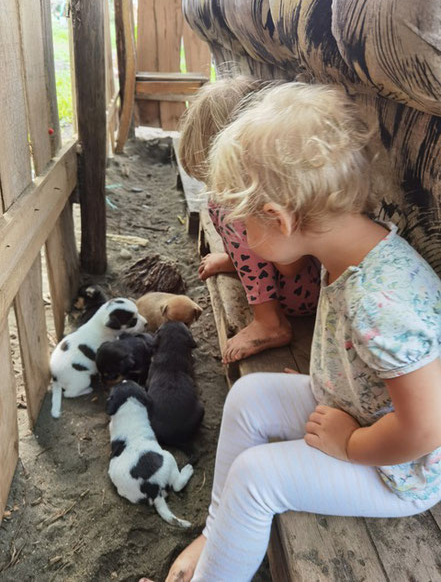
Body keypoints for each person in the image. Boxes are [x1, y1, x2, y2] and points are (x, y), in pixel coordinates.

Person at [149, 82, 441, 582]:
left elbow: (425, 429)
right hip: (358, 411)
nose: (235, 235)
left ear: (278, 220)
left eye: (239, 224)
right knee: (250, 395)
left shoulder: (380, 301)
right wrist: (332, 382)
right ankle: (218, 534)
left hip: (399, 469)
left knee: (257, 477)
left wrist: (350, 446)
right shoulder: (349, 250)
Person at [178, 77, 320, 363]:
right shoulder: (256, 188)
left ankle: (270, 322)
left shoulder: (280, 195)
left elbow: (293, 267)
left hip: (300, 291)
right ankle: (238, 262)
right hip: (276, 273)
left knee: (232, 214)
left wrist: (262, 239)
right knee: (219, 203)